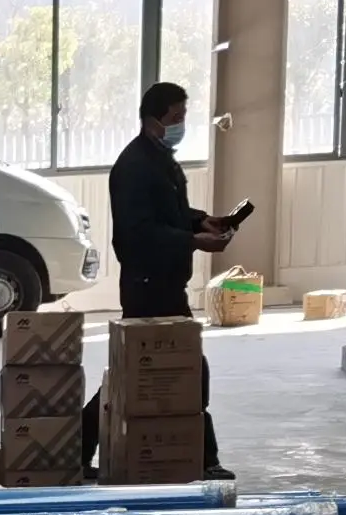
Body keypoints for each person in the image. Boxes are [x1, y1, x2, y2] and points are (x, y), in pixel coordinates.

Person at [83, 81, 244, 472]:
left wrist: (201, 220)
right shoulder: (134, 166)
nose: (181, 124)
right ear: (153, 119)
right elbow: (138, 233)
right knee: (184, 368)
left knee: (135, 373)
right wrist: (193, 240)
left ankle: (74, 448)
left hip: (166, 283)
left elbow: (169, 212)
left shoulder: (161, 159)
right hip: (148, 286)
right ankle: (205, 460)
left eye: (183, 116)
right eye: (176, 117)